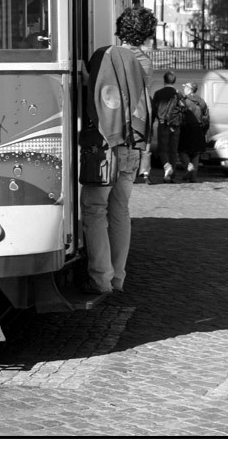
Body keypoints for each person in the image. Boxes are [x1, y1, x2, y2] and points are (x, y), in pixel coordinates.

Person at [80, 43, 152, 295]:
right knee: (120, 210)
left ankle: (101, 279)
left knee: (94, 208)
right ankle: (118, 277)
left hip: (107, 145)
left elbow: (100, 100)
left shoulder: (104, 57)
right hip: (132, 143)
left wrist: (85, 80)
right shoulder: (139, 61)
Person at [114, 6, 157, 184]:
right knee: (122, 198)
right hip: (134, 134)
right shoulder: (146, 62)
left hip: (114, 132)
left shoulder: (111, 56)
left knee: (96, 204)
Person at [152, 70, 184, 183]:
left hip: (163, 124)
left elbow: (154, 110)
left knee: (162, 149)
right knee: (173, 151)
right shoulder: (178, 94)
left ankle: (167, 166)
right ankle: (172, 175)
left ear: (164, 80)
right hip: (176, 125)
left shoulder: (158, 94)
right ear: (174, 81)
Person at [178, 81, 210, 182]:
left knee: (182, 151)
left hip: (186, 129)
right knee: (196, 154)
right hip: (199, 129)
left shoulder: (183, 100)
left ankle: (189, 166)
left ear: (189, 89)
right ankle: (193, 178)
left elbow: (180, 115)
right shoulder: (201, 101)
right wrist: (203, 131)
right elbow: (207, 118)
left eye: (185, 87)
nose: (184, 89)